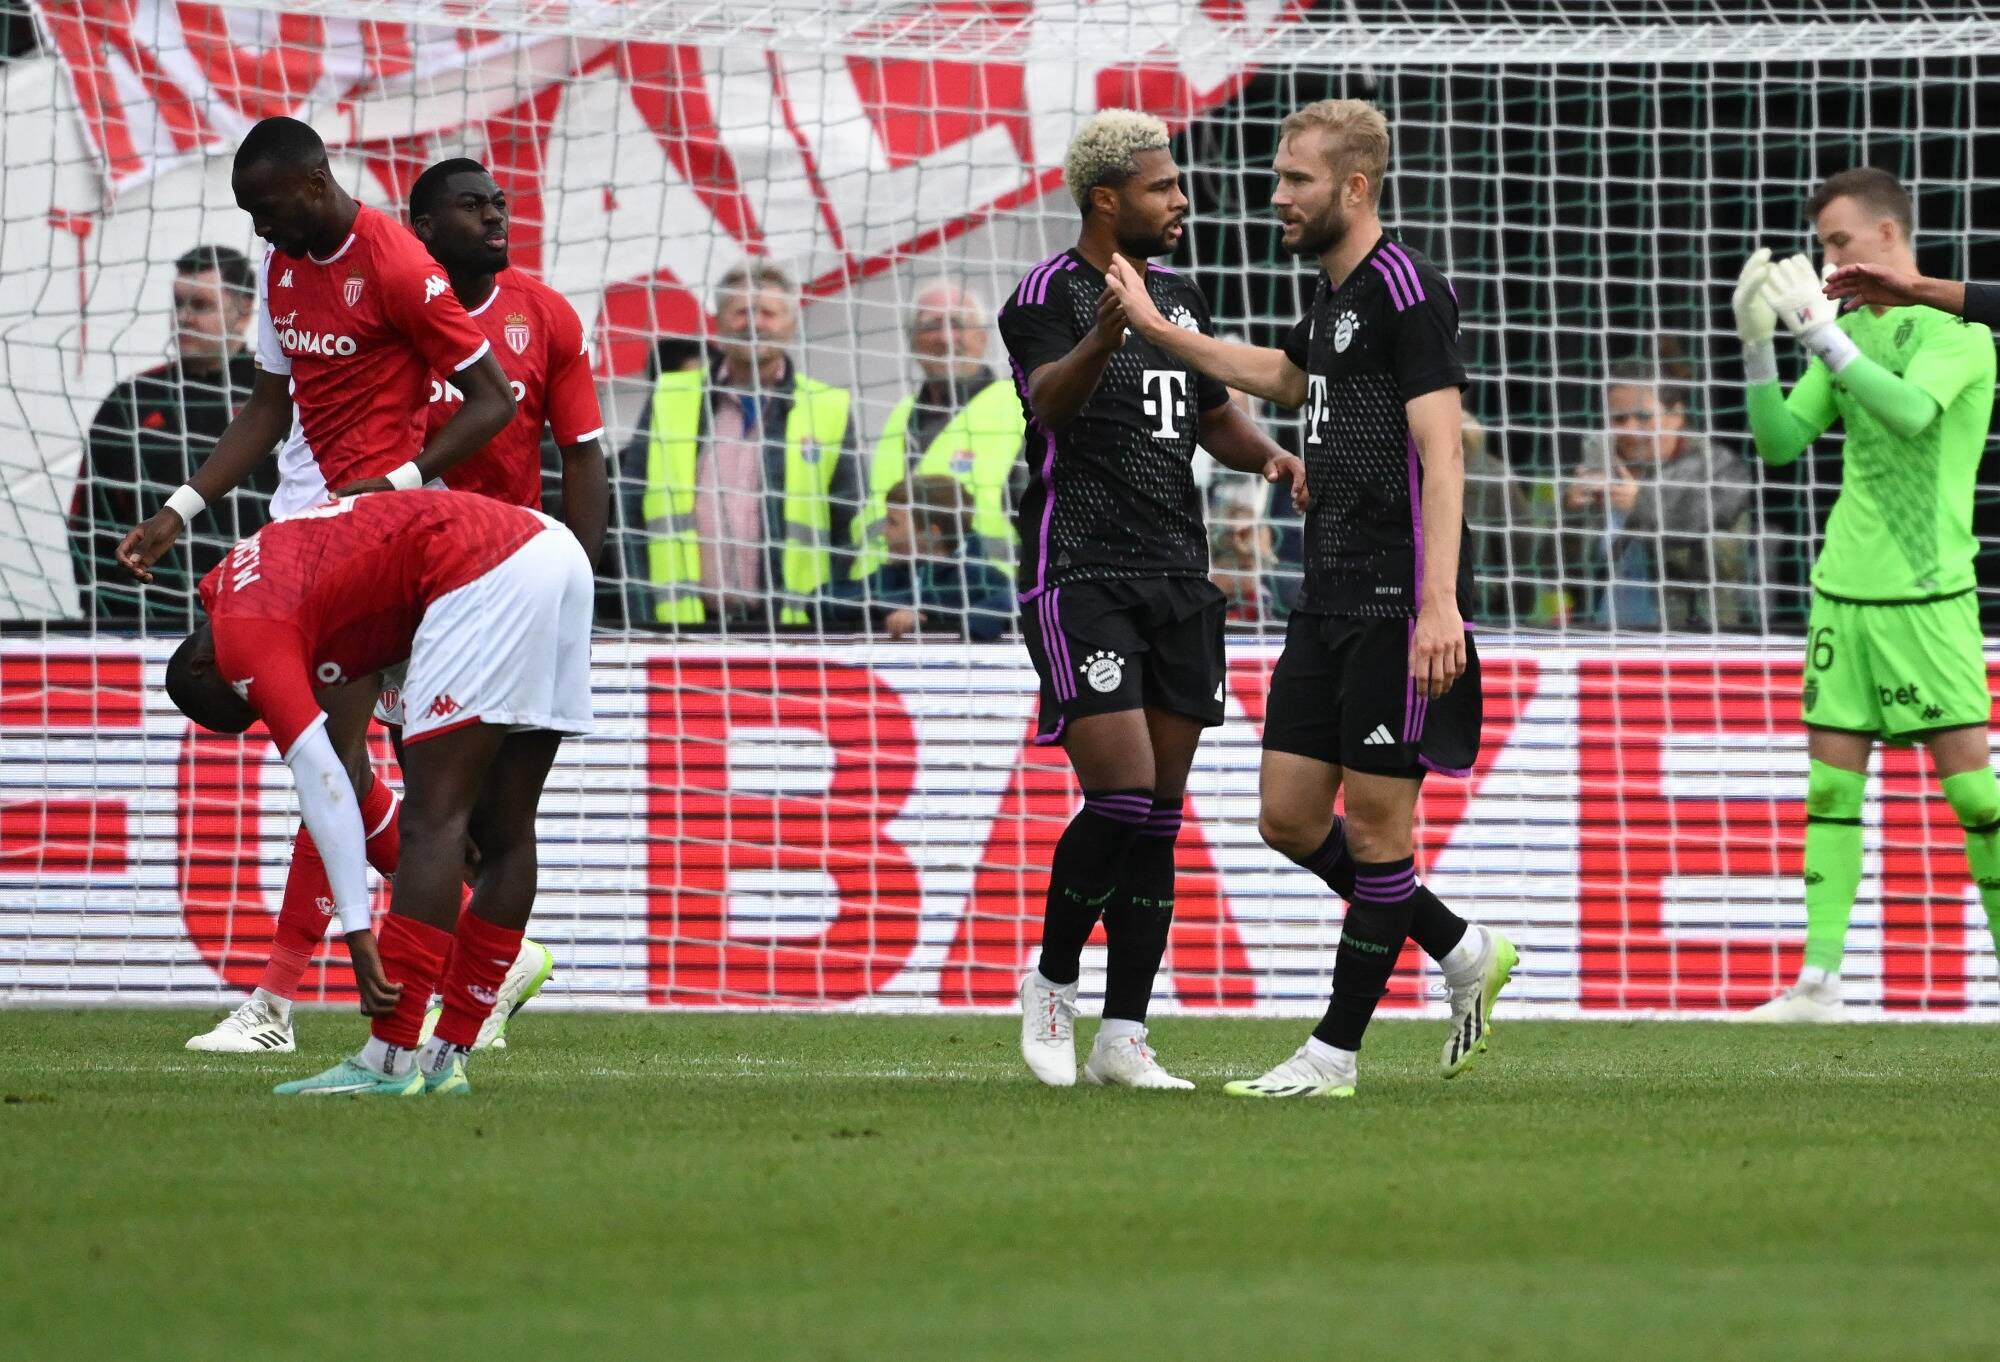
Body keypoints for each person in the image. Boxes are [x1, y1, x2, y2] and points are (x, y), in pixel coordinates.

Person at [1105, 97, 1516, 1099]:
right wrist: (1158, 330)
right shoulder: (1335, 298)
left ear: (1354, 187)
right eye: (1279, 176)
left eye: (1294, 179)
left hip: (1394, 601)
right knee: (1287, 820)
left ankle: (1330, 1055)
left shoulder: (1405, 291)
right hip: (1325, 597)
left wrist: (1436, 604)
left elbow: (1440, 452)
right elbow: (1282, 377)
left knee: (1379, 832)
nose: (1274, 195)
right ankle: (1459, 948)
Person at [114, 117, 517, 1053]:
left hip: (385, 544)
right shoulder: (284, 268)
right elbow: (269, 407)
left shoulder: (397, 266)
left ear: (311, 183)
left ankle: (285, 1003)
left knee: (330, 765)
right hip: (306, 533)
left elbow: (495, 401)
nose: (257, 231)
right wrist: (182, 508)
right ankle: (487, 948)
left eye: (263, 209)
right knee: (336, 768)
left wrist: (400, 485)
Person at [1001, 108, 1308, 1090]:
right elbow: (1047, 403)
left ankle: (1121, 1036)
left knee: (1161, 814)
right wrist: (1109, 330)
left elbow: (1211, 414)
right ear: (1104, 199)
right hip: (1080, 573)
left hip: (1178, 577)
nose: (1181, 200)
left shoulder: (1176, 290)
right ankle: (1050, 981)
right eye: (1160, 187)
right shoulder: (1045, 297)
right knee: (1123, 794)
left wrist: (1271, 460)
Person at [165, 490, 593, 1095]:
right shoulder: (252, 573)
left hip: (479, 565)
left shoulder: (245, 636)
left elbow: (325, 780)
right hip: (555, 549)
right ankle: (445, 1063)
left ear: (210, 667)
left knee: (432, 823)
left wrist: (360, 933)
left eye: (246, 704)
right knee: (503, 833)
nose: (260, 708)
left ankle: (389, 1060)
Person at [1733, 168, 1999, 1020]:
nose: (1827, 259)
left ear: (1889, 237)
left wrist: (1823, 338)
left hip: (1928, 597)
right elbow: (1781, 444)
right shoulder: (1838, 330)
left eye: (1840, 241)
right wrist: (1758, 344)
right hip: (1841, 593)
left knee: (1976, 798)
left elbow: (1915, 414)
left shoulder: (1959, 332)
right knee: (1829, 791)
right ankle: (1818, 983)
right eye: (1821, 245)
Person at [621, 261, 863, 630]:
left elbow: (850, 524)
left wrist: (836, 612)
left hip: (795, 627)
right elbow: (629, 510)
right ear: (717, 323)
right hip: (682, 626)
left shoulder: (828, 407)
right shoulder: (670, 396)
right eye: (741, 312)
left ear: (792, 324)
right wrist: (639, 606)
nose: (754, 323)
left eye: (768, 312)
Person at [68, 245, 282, 629]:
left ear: (245, 312)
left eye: (200, 305)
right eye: (178, 303)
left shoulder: (277, 398)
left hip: (260, 620)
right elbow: (88, 523)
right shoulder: (131, 402)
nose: (184, 318)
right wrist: (106, 617)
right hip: (148, 623)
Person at [1559, 360, 1758, 631]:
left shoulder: (1716, 468)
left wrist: (1643, 509)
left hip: (1687, 641)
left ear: (1676, 415)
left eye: (1643, 417)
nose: (1629, 430)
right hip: (1602, 641)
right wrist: (1570, 513)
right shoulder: (1604, 466)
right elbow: (1554, 571)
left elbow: (1727, 563)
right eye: (1619, 419)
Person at [853, 282, 1025, 580]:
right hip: (884, 605)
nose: (946, 338)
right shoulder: (900, 415)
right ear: (911, 342)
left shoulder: (1021, 408)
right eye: (931, 326)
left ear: (983, 337)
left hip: (984, 607)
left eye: (957, 324)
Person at [833, 475, 1014, 640]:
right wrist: (891, 605)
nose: (884, 532)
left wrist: (923, 612)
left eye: (893, 523)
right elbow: (822, 601)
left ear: (931, 534)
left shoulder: (983, 579)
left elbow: (1025, 600)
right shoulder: (892, 576)